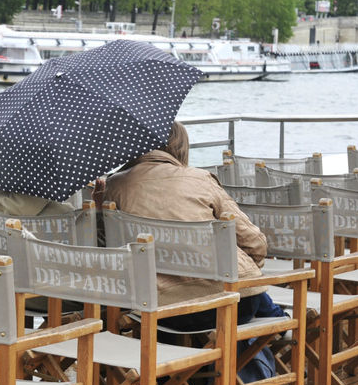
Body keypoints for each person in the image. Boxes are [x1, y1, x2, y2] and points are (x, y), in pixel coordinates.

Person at [102, 120, 284, 329]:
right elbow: (254, 243)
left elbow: (109, 247)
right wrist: (248, 271)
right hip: (230, 303)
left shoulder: (115, 185)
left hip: (155, 308)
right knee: (243, 292)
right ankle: (268, 330)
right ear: (180, 147)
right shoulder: (200, 179)